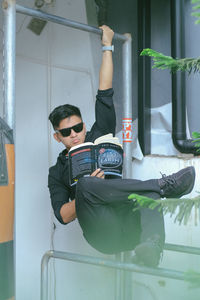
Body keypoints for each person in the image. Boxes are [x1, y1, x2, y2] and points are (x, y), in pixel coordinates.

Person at [48, 25, 195, 267]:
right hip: (102, 232)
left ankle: (151, 247)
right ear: (58, 137)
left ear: (83, 126)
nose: (74, 134)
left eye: (77, 128)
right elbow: (63, 216)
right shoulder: (57, 172)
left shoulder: (98, 136)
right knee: (86, 184)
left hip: (131, 227)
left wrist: (108, 46)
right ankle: (162, 185)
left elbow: (104, 92)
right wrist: (88, 190)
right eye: (66, 132)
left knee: (146, 194)